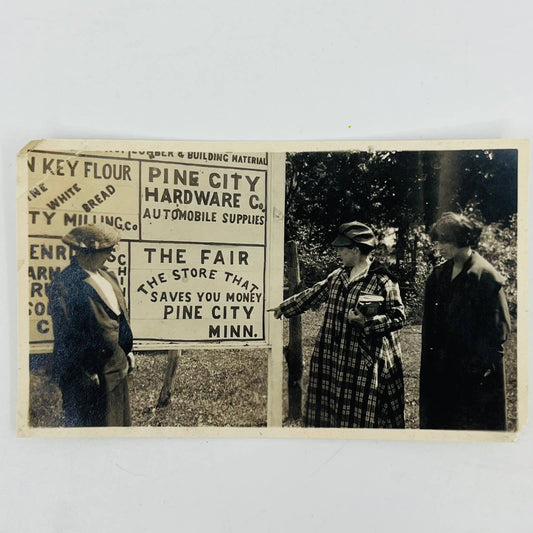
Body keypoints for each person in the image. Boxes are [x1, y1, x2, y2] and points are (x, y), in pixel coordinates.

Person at [269, 221, 406, 428]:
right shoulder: (339, 275)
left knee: (360, 414)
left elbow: (398, 316)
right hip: (333, 356)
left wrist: (366, 322)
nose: (338, 253)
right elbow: (313, 294)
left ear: (356, 250)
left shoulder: (382, 280)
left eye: (342, 249)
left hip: (362, 360)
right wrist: (284, 307)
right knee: (332, 407)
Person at [419, 212, 511, 430]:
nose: (439, 246)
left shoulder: (485, 277)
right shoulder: (438, 275)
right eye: (438, 240)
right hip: (442, 369)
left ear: (462, 239)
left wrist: (479, 369)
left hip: (475, 374)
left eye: (445, 241)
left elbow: (498, 332)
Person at [48, 224, 135, 427]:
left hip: (116, 365)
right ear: (89, 251)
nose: (111, 256)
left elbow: (119, 316)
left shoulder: (107, 276)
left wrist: (127, 349)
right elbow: (65, 334)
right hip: (90, 373)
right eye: (108, 250)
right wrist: (83, 371)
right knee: (93, 431)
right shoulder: (65, 285)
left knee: (118, 425)